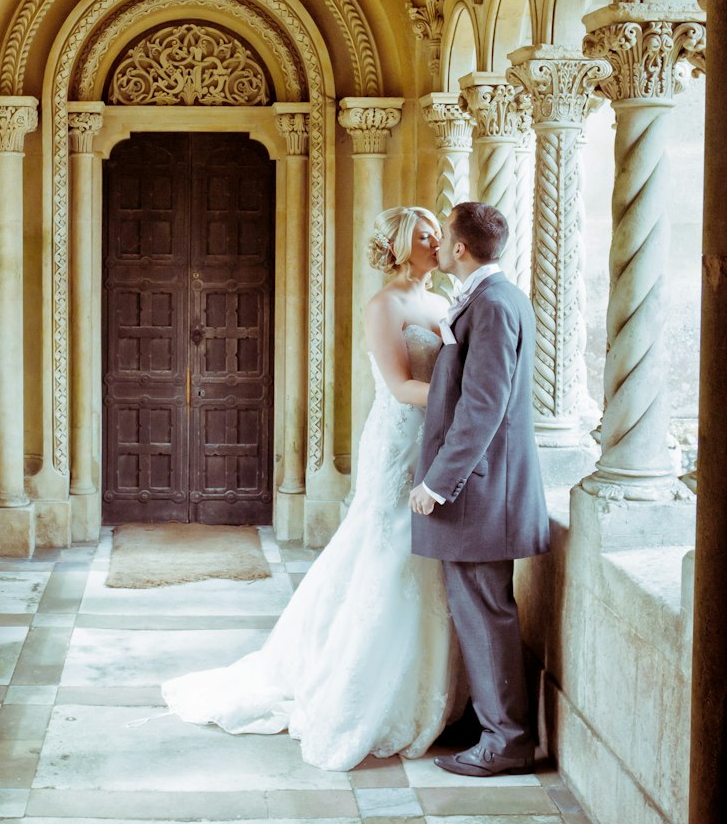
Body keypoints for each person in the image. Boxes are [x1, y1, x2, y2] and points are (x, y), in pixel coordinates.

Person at [162, 206, 463, 771]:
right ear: (400, 246)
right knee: (389, 552)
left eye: (437, 235)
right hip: (399, 442)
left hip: (438, 439)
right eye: (425, 236)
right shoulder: (385, 306)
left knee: (425, 560)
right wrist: (469, 404)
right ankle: (358, 690)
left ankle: (428, 692)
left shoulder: (444, 302)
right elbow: (400, 386)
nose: (436, 242)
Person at [410, 200, 550, 776]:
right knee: (477, 610)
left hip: (479, 492)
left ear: (461, 249)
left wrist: (438, 484)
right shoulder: (492, 298)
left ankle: (507, 742)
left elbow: (484, 405)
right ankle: (490, 721)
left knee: (485, 612)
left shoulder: (492, 305)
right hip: (484, 489)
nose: (439, 244)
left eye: (444, 237)